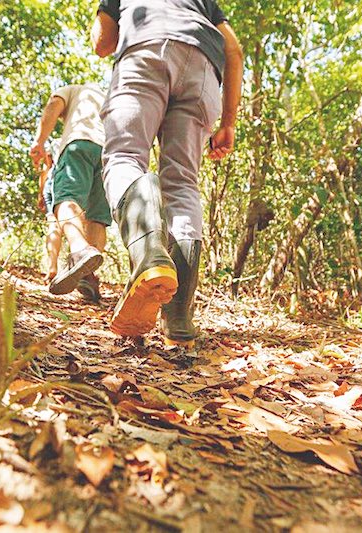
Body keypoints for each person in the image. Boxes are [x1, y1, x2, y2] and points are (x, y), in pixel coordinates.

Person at [91, 0, 243, 346]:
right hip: (204, 69)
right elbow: (233, 49)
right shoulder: (204, 4)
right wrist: (229, 123)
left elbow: (102, 42)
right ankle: (178, 318)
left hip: (146, 49)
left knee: (125, 155)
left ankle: (149, 255)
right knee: (183, 183)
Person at [30, 83, 112, 301]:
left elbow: (54, 104)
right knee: (97, 216)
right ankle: (88, 275)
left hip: (79, 143)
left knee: (67, 199)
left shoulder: (72, 89)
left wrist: (39, 142)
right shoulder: (108, 96)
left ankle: (79, 250)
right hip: (109, 153)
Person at [36, 152, 63, 283]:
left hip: (50, 183)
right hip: (67, 180)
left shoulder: (53, 145)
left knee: (53, 224)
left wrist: (41, 193)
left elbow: (46, 168)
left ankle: (52, 267)